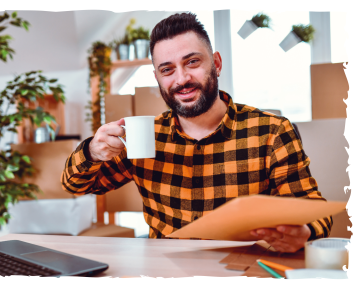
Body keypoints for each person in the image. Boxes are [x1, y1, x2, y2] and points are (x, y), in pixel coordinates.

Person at [61, 12, 332, 253]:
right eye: (167, 69)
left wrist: (305, 232)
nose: (181, 79)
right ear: (157, 78)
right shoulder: (143, 136)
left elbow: (313, 209)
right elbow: (76, 185)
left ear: (216, 63)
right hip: (164, 272)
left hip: (243, 270)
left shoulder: (271, 131)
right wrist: (92, 152)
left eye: (192, 62)